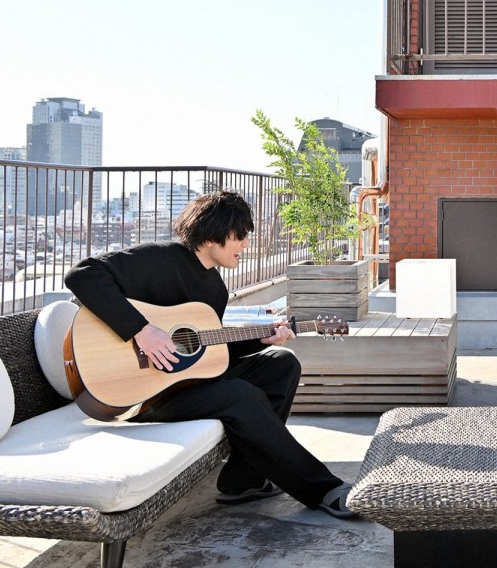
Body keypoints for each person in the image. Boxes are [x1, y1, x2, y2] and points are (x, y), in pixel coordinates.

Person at [63, 189, 357, 517]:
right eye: (240, 236)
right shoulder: (161, 260)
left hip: (181, 384)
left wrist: (261, 340)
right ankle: (322, 488)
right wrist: (142, 330)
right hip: (143, 395)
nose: (246, 244)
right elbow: (82, 274)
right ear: (215, 233)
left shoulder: (214, 288)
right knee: (240, 395)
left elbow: (204, 355)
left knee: (282, 364)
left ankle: (243, 481)